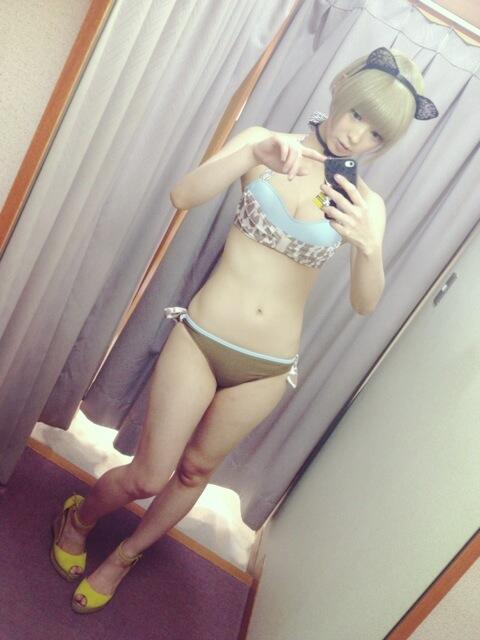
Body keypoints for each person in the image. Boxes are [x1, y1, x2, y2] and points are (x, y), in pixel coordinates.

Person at [50, 47, 438, 613]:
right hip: (202, 339)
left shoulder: (366, 205)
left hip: (269, 368)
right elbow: (182, 196)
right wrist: (250, 154)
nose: (356, 136)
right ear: (341, 92)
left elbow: (364, 303)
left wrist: (367, 246)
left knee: (194, 472)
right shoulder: (264, 142)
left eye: (376, 134)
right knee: (150, 475)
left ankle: (124, 556)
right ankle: (79, 519)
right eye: (357, 114)